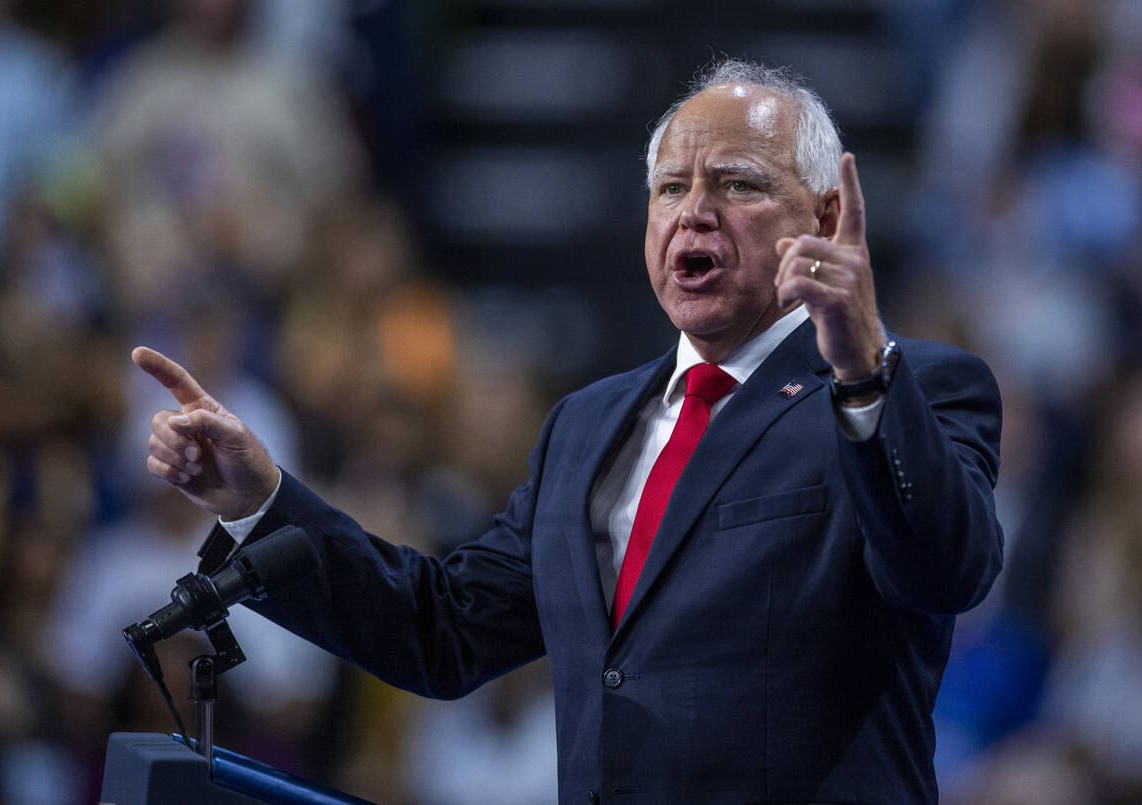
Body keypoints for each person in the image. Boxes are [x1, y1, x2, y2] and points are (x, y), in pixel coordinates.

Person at [133, 59, 1003, 804]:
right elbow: (444, 630)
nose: (693, 212)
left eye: (736, 183)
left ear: (820, 220)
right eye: (670, 188)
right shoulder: (586, 427)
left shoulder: (911, 388)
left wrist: (860, 369)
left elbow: (943, 567)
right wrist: (260, 501)